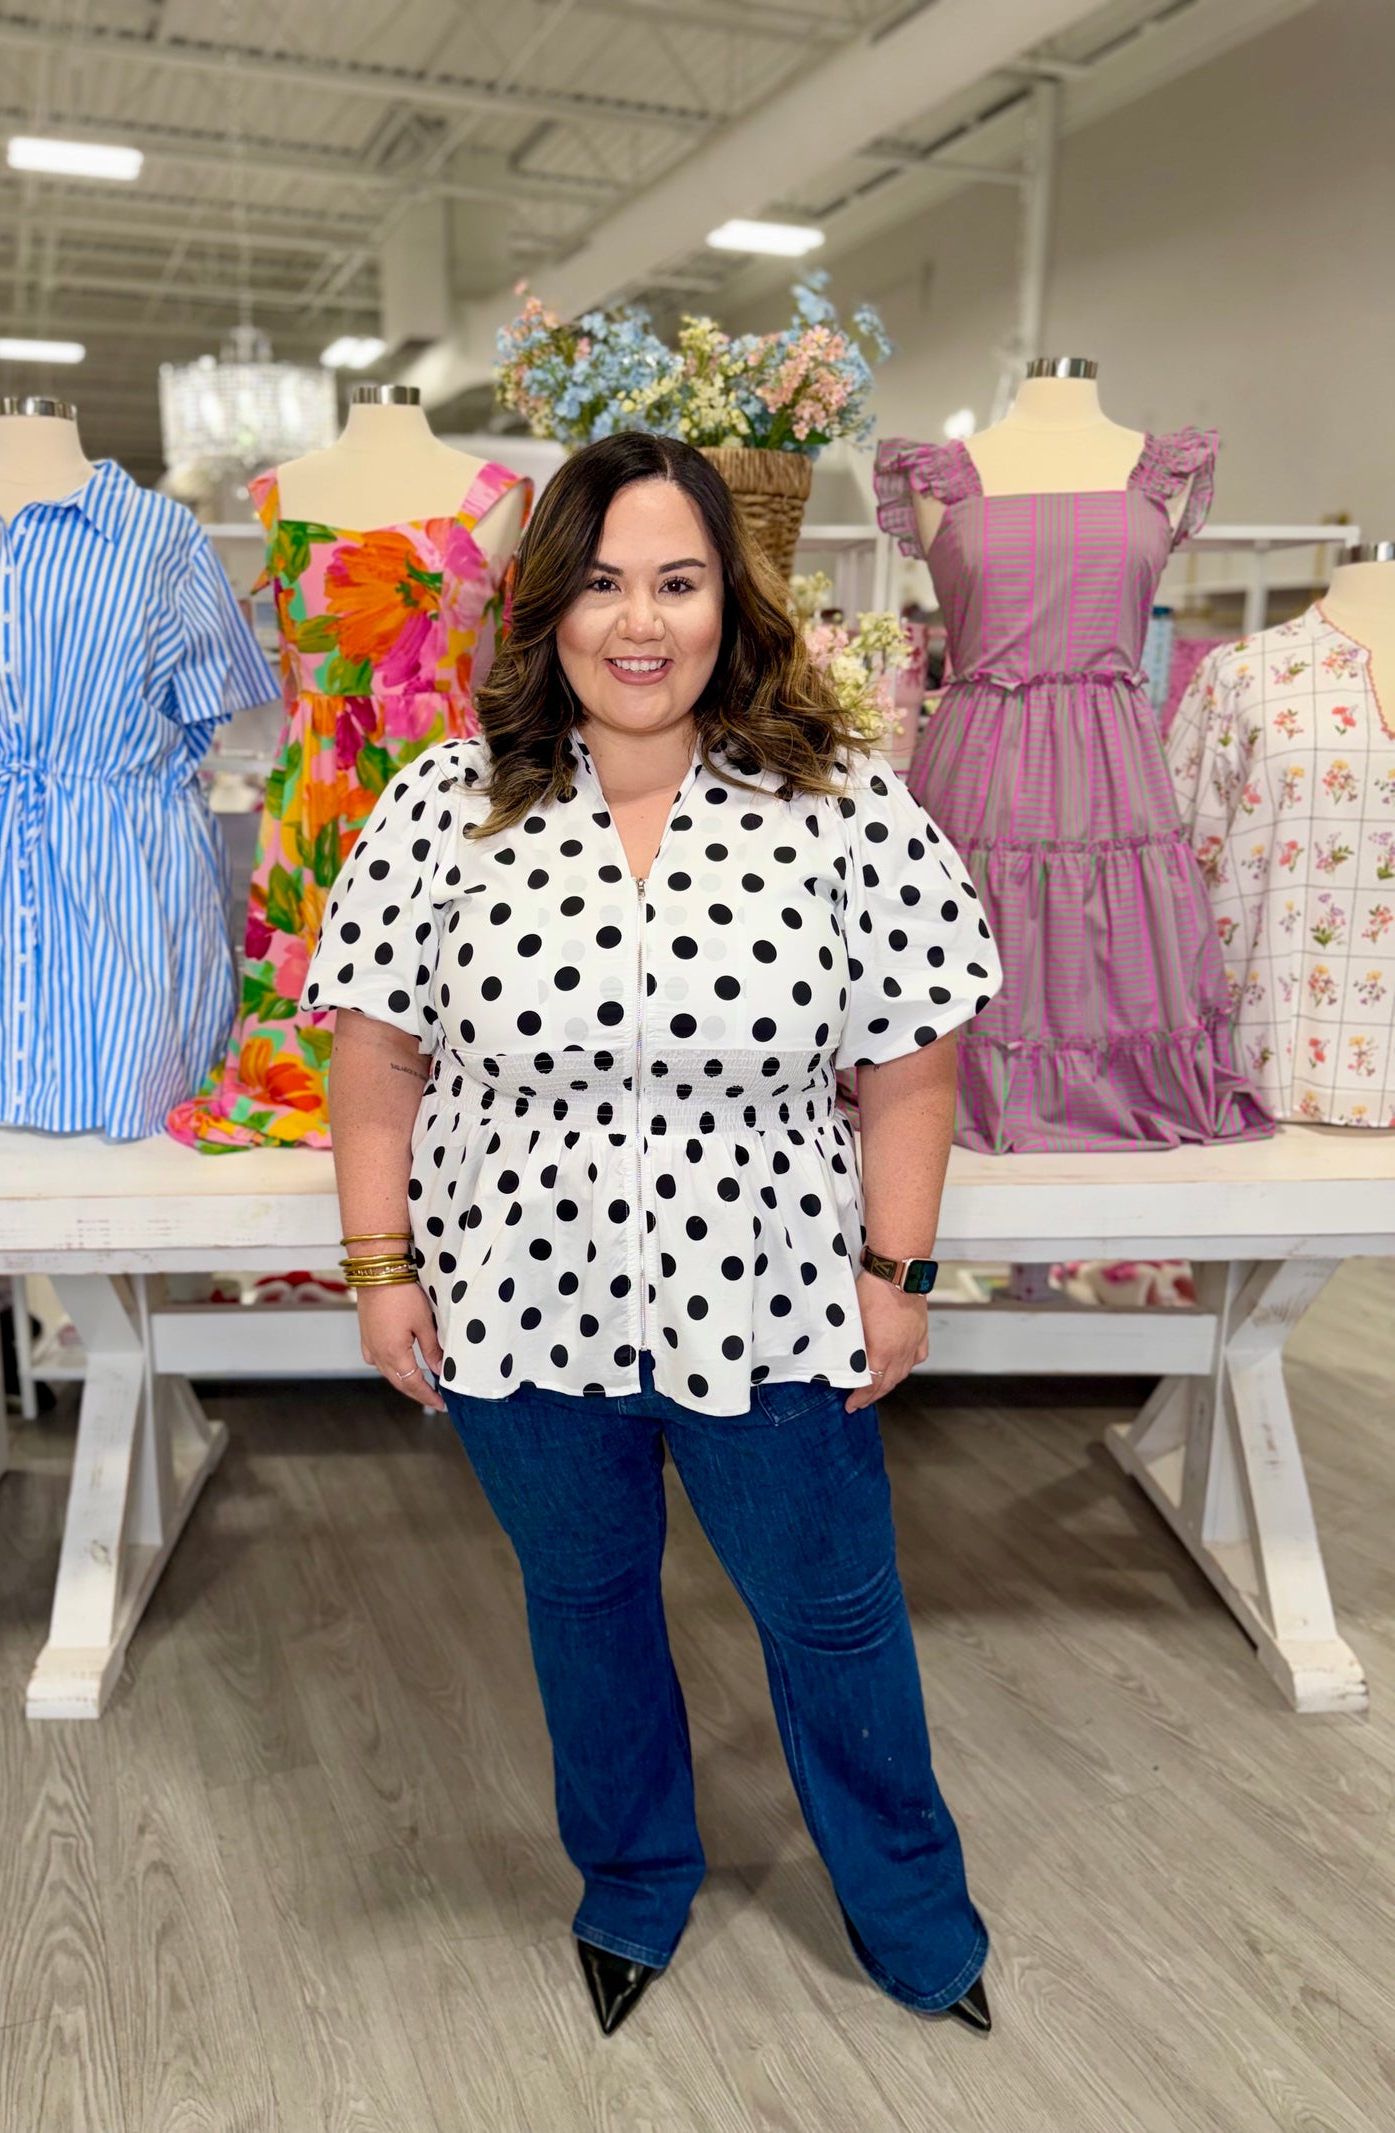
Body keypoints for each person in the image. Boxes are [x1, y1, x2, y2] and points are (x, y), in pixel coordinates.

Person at [308, 432, 1001, 2039]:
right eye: (605, 582)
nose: (642, 622)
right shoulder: (446, 807)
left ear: (729, 601)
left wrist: (896, 1275)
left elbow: (912, 1059)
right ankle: (632, 1883)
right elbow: (376, 1054)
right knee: (588, 1605)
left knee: (834, 1614)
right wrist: (378, 1264)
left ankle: (914, 1917)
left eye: (678, 581)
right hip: (517, 1309)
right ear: (549, 605)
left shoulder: (843, 809)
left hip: (768, 1305)